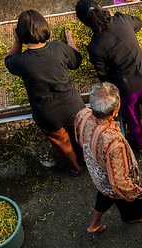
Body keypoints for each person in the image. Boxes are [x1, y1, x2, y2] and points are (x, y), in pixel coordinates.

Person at [75, 0, 142, 157]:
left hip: (126, 90)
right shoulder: (122, 20)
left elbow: (103, 75)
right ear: (101, 8)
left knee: (133, 121)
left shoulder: (95, 46)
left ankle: (139, 145)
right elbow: (138, 23)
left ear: (85, 23)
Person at [5, 9, 84, 175]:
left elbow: (8, 60)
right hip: (73, 106)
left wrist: (17, 43)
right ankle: (86, 160)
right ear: (45, 28)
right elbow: (76, 60)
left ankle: (75, 169)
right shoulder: (59, 48)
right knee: (81, 136)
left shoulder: (21, 61)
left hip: (47, 114)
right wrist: (70, 40)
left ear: (20, 34)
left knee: (63, 144)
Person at [75, 82, 142, 232]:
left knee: (104, 194)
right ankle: (134, 217)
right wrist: (137, 193)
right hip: (111, 181)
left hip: (97, 173)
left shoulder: (82, 114)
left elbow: (79, 138)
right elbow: (119, 184)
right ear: (115, 111)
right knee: (124, 201)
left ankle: (94, 224)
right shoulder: (113, 142)